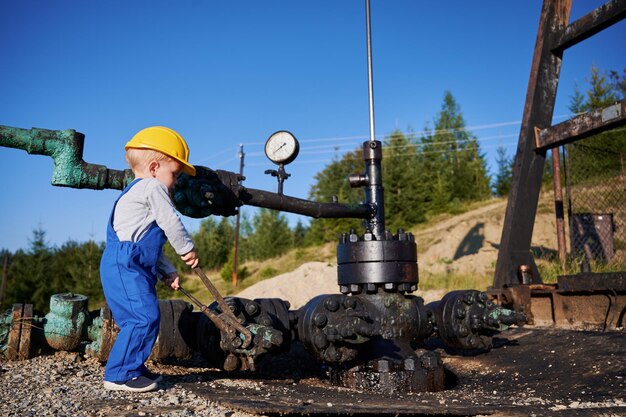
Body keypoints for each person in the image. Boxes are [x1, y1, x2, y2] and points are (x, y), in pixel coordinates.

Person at [99, 126, 199, 392]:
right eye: (175, 174)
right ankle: (120, 375)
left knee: (140, 316)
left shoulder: (138, 192)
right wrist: (186, 248)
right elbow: (170, 222)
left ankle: (133, 367)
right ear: (155, 167)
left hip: (129, 263)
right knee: (143, 317)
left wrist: (167, 271)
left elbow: (150, 244)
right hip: (126, 265)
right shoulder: (152, 187)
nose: (175, 182)